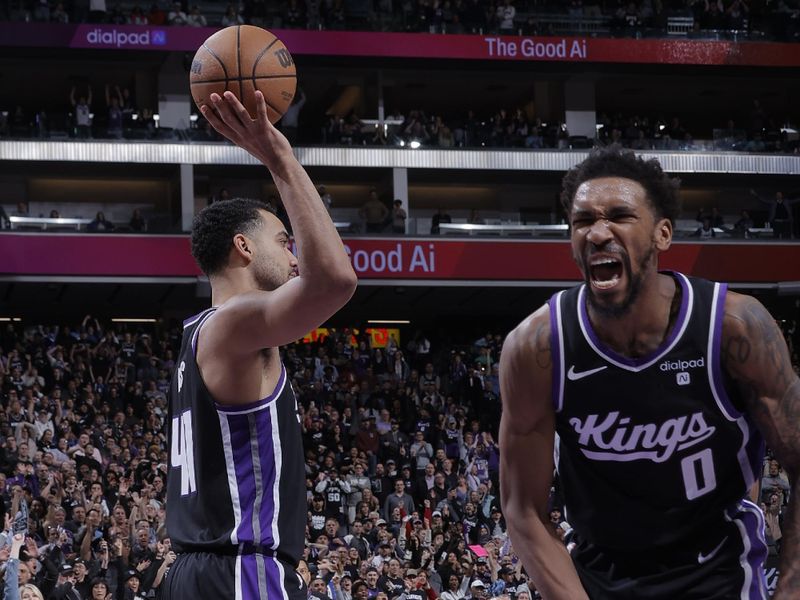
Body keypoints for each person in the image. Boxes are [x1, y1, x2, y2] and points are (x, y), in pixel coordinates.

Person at [499, 145, 800, 600]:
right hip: (599, 575)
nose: (598, 232)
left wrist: (791, 592)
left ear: (662, 234)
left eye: (619, 215)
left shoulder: (736, 328)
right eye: (583, 221)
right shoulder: (536, 348)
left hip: (719, 571)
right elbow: (522, 509)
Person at [161, 89, 357, 600]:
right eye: (284, 242)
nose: (295, 258)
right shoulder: (234, 323)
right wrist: (280, 156)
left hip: (203, 572)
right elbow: (335, 280)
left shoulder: (199, 335)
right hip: (241, 573)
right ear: (243, 247)